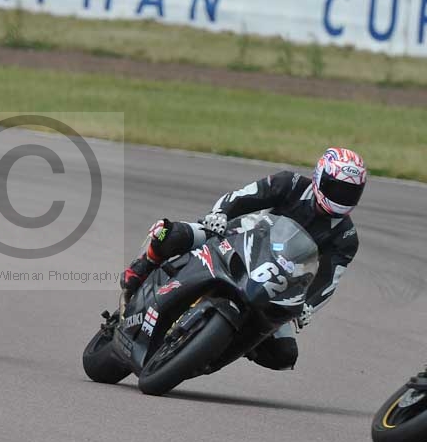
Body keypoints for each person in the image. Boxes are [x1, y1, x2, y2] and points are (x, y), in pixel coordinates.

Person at [120, 148, 366, 370]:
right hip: (236, 239)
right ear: (319, 177)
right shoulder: (289, 183)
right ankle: (144, 265)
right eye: (337, 188)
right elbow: (243, 196)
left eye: (351, 192)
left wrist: (308, 306)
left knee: (284, 354)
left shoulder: (346, 237)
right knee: (169, 232)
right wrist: (220, 214)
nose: (342, 196)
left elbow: (329, 280)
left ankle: (227, 341)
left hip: (275, 283)